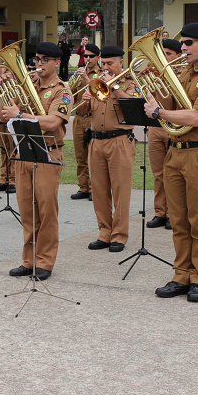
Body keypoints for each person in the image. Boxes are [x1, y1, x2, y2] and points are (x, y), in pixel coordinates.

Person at [143, 23, 198, 303]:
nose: (183, 48)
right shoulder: (184, 72)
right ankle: (181, 274)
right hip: (176, 152)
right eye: (182, 44)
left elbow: (194, 117)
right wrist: (151, 86)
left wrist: (159, 111)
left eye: (188, 43)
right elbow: (167, 104)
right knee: (179, 220)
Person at [0, 42, 72, 281]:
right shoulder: (26, 85)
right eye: (37, 59)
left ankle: (45, 262)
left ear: (57, 63)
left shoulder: (63, 91)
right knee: (27, 210)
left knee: (46, 211)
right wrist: (6, 92)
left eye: (44, 60)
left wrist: (20, 115)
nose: (38, 64)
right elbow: (4, 113)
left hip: (48, 154)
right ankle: (28, 260)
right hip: (23, 153)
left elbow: (52, 122)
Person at [78, 45, 137, 252]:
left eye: (110, 63)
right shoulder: (96, 83)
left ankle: (119, 235)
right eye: (104, 63)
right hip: (96, 141)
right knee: (99, 190)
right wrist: (86, 98)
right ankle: (104, 232)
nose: (106, 67)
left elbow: (132, 104)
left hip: (120, 140)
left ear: (121, 62)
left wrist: (113, 86)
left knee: (121, 191)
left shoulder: (130, 83)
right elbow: (82, 112)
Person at [146, 39, 182, 229]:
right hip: (155, 127)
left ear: (178, 56)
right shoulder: (154, 74)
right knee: (158, 173)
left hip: (174, 128)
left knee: (172, 174)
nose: (164, 58)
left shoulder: (182, 74)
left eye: (168, 54)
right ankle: (160, 211)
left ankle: (173, 213)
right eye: (163, 53)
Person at [70, 43, 100, 201]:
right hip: (79, 118)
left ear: (98, 58)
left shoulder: (101, 73)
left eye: (91, 56)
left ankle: (95, 188)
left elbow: (101, 92)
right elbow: (72, 95)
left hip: (94, 118)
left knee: (93, 157)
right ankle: (83, 187)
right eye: (86, 56)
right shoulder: (78, 72)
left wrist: (87, 79)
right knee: (80, 156)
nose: (88, 59)